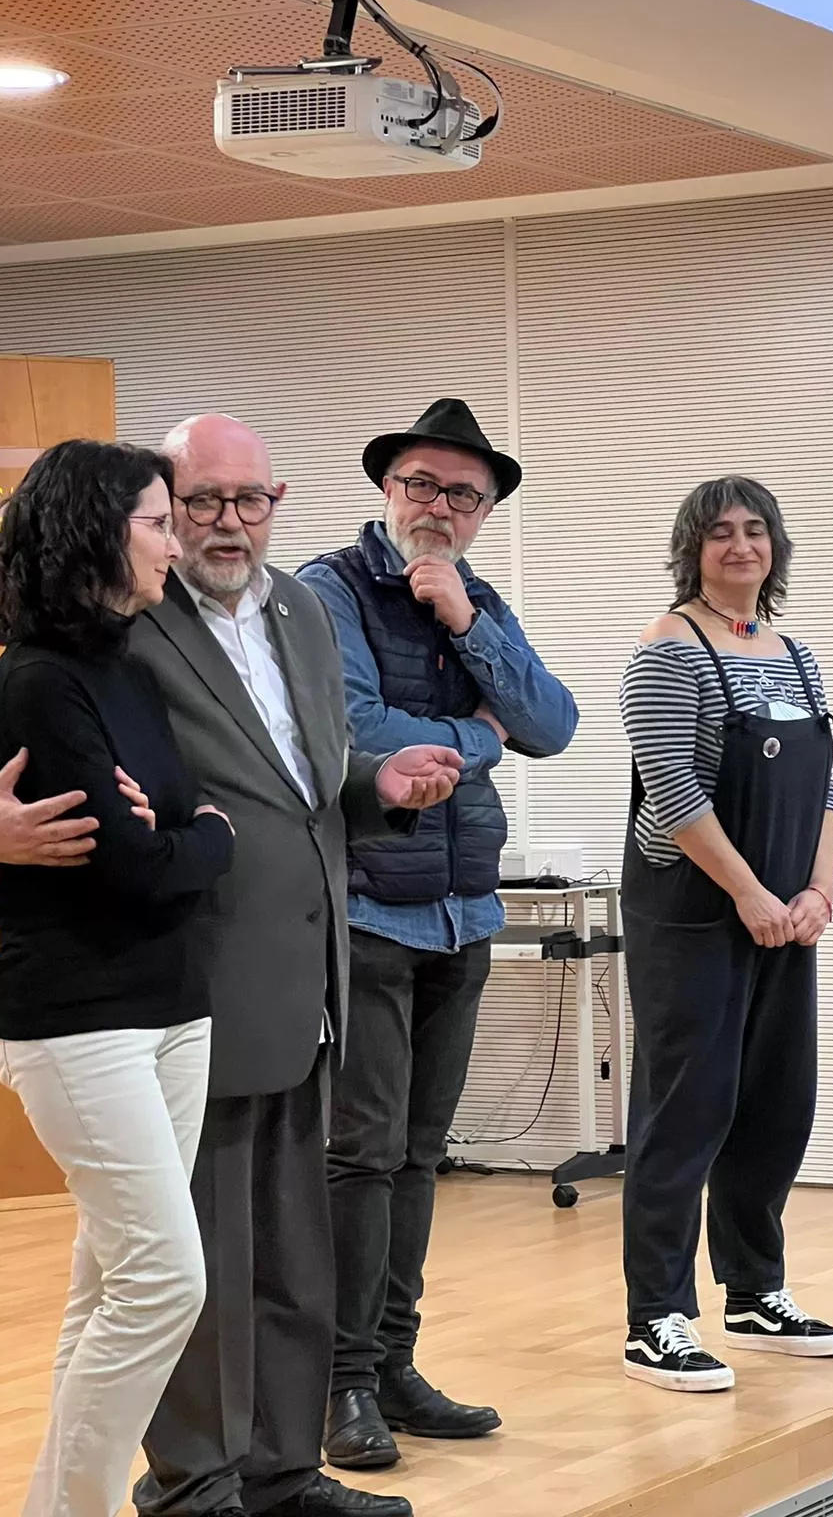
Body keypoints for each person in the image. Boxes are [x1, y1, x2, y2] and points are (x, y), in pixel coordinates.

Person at [0, 414, 464, 1517]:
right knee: (189, 1267)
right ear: (165, 513)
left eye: (249, 500)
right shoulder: (120, 619)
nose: (225, 523)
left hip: (306, 968)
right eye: (199, 501)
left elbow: (299, 774)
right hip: (176, 976)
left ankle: (281, 1470)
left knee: (289, 1249)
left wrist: (378, 784)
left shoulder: (306, 613)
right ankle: (195, 1482)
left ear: (278, 501)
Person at [297, 398, 578, 1471]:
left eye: (463, 494)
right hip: (368, 903)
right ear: (386, 488)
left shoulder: (478, 601)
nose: (438, 506)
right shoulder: (328, 590)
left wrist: (464, 621)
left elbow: (553, 722)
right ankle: (341, 1387)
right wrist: (477, 732)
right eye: (421, 484)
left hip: (463, 911)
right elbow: (357, 729)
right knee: (360, 1154)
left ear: (484, 511)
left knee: (421, 1155)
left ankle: (395, 1364)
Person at [0, 438, 236, 1517]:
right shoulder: (34, 680)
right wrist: (206, 839)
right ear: (97, 532)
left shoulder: (127, 664)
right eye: (158, 521)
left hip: (172, 1004)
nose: (176, 542)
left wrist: (182, 834)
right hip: (78, 1019)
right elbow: (139, 858)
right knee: (166, 1279)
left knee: (108, 1282)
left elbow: (161, 829)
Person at [617, 475, 833, 1394]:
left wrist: (816, 894)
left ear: (776, 546)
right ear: (693, 548)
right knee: (688, 1113)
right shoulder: (667, 650)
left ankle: (755, 1292)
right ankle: (657, 1319)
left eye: (756, 531)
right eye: (720, 534)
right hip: (694, 912)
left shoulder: (795, 656)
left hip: (787, 917)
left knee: (776, 1106)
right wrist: (753, 894)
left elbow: (826, 789)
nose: (740, 546)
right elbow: (674, 795)